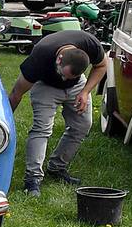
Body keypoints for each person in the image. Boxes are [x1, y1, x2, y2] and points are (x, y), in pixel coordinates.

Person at [7, 29, 109, 196]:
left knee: (82, 125)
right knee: (42, 129)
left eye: (69, 76)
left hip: (78, 87)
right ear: (59, 59)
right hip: (45, 85)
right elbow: (16, 93)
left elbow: (103, 65)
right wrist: (5, 123)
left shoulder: (91, 44)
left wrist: (84, 92)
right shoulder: (40, 55)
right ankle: (32, 179)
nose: (64, 80)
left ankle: (57, 168)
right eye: (63, 74)